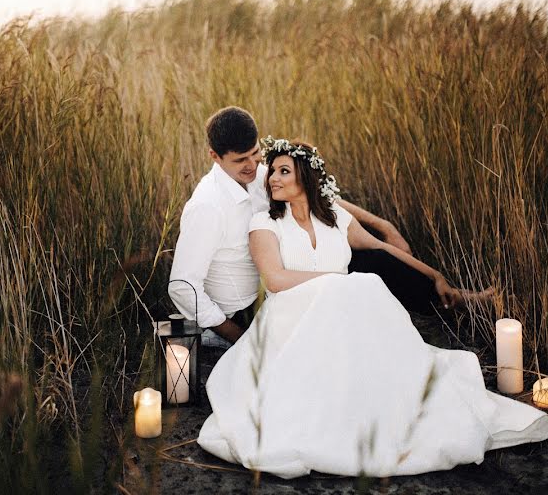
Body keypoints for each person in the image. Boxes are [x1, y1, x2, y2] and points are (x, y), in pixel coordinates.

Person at [196, 138, 548, 478]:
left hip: (343, 316)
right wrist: (337, 279)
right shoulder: (265, 223)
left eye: (283, 171)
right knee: (359, 285)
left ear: (305, 176)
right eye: (271, 171)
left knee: (369, 291)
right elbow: (274, 279)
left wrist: (436, 275)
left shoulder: (335, 217)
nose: (271, 178)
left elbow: (384, 252)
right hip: (292, 321)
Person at [168, 106, 468, 348]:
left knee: (367, 258)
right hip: (241, 312)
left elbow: (315, 194)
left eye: (255, 154)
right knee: (348, 277)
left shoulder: (257, 175)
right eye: (240, 160)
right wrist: (237, 336)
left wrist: (383, 225)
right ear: (214, 157)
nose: (252, 165)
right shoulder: (207, 207)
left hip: (282, 278)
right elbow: (183, 287)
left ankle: (446, 301)